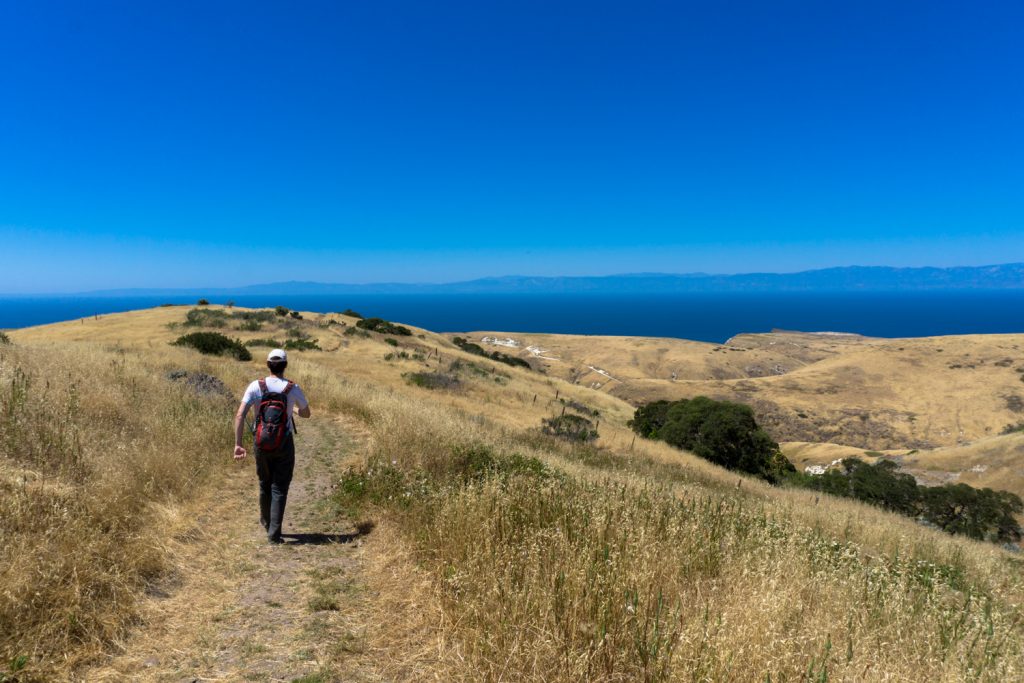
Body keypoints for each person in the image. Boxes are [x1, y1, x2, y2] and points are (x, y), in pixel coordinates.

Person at [233, 348, 311, 543]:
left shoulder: (256, 386)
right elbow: (306, 413)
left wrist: (238, 444)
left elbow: (240, 414)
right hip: (284, 443)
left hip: (260, 442)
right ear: (285, 365)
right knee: (280, 487)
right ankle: (274, 534)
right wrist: (291, 408)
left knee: (264, 484)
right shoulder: (292, 388)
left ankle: (267, 522)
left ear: (268, 365)